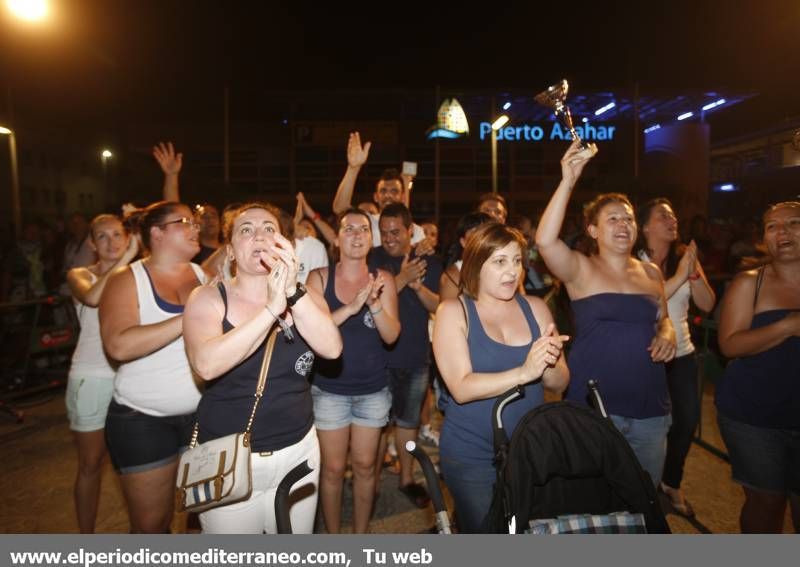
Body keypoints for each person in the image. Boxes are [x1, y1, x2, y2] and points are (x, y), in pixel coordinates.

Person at [182, 202, 341, 534]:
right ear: (231, 251)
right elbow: (207, 365)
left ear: (284, 244)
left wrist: (291, 292)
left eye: (269, 229)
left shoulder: (305, 295)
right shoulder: (208, 298)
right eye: (246, 229)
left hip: (298, 449)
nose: (259, 235)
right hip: (230, 459)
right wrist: (271, 309)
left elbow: (332, 348)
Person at [535, 141, 676, 488]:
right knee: (592, 499)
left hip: (650, 409)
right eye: (612, 218)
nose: (623, 224)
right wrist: (568, 179)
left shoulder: (652, 273)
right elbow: (545, 242)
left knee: (643, 501)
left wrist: (668, 334)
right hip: (595, 408)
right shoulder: (580, 269)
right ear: (594, 230)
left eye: (628, 217)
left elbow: (663, 319)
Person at [433, 222, 569, 532]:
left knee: (526, 532)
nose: (512, 271)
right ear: (476, 265)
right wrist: (524, 372)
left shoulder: (535, 308)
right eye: (500, 261)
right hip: (472, 452)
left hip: (529, 448)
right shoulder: (454, 311)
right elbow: (461, 387)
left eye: (517, 260)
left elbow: (560, 383)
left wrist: (549, 361)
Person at [99, 201, 207, 533]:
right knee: (151, 525)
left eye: (195, 220)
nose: (196, 227)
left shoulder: (202, 274)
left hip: (201, 417)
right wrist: (187, 317)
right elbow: (118, 344)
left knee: (204, 515)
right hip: (142, 420)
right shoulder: (126, 279)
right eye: (185, 221)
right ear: (157, 233)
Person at [306, 208, 400, 533]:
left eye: (363, 229)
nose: (357, 235)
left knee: (364, 466)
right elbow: (312, 330)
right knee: (332, 469)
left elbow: (391, 335)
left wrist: (374, 305)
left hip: (372, 390)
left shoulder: (383, 279)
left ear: (371, 239)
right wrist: (350, 308)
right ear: (336, 238)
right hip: (329, 389)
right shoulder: (318, 278)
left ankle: (360, 538)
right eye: (349, 229)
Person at [715, 201, 800, 533]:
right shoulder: (751, 281)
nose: (783, 232)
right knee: (766, 504)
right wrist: (787, 326)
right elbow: (730, 344)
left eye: (794, 223)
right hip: (753, 415)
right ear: (763, 238)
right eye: (773, 227)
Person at [636, 198, 716, 517]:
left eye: (673, 214)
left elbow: (708, 304)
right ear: (644, 226)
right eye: (663, 215)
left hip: (682, 354)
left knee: (686, 422)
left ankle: (671, 481)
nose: (672, 220)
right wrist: (681, 274)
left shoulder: (686, 259)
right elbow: (648, 305)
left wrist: (691, 273)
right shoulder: (634, 262)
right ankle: (641, 486)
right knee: (648, 426)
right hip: (647, 355)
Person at [65, 214, 138, 533]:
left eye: (117, 235)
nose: (111, 242)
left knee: (138, 467)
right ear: (92, 243)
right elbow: (94, 297)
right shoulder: (80, 274)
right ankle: (86, 540)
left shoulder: (136, 274)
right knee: (91, 465)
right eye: (102, 237)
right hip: (91, 378)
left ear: (127, 236)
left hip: (132, 378)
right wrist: (126, 259)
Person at [370, 203, 442, 508]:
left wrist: (415, 286)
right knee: (377, 423)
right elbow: (368, 299)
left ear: (409, 231)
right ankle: (369, 482)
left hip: (414, 355)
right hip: (378, 356)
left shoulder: (428, 258)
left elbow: (437, 305)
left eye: (395, 232)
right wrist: (401, 277)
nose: (389, 238)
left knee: (409, 421)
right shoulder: (372, 258)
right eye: (384, 232)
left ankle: (407, 478)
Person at [331, 132, 426, 247]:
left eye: (394, 191)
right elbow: (340, 208)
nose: (388, 195)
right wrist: (353, 168)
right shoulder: (367, 222)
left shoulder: (417, 231)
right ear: (376, 197)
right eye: (383, 191)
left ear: (403, 197)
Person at [439, 212, 494, 301]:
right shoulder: (452, 278)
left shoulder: (505, 268)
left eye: (486, 235)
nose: (481, 241)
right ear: (463, 242)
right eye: (474, 236)